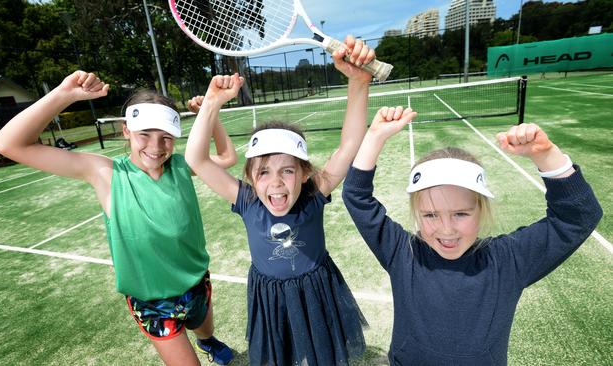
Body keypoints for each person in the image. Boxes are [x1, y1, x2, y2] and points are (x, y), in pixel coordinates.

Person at [0, 71, 237, 366]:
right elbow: (6, 144)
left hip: (196, 281)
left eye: (166, 138)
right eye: (144, 134)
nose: (156, 147)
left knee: (204, 327)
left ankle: (207, 341)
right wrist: (63, 94)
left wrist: (214, 113)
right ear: (125, 131)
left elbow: (226, 157)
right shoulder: (106, 173)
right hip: (151, 301)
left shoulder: (184, 165)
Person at [341, 109, 603, 365]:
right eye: (431, 215)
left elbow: (578, 216)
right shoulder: (403, 253)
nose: (446, 230)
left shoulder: (507, 260)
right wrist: (374, 137)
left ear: (481, 209)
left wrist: (546, 156)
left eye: (460, 214)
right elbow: (356, 196)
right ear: (417, 213)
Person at [185, 36, 375, 366]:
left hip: (316, 290)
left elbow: (350, 145)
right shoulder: (245, 201)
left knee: (322, 356)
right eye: (263, 172)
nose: (275, 183)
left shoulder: (315, 193)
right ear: (249, 178)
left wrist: (359, 83)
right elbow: (197, 160)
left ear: (303, 173)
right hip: (269, 295)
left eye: (287, 170)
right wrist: (213, 102)